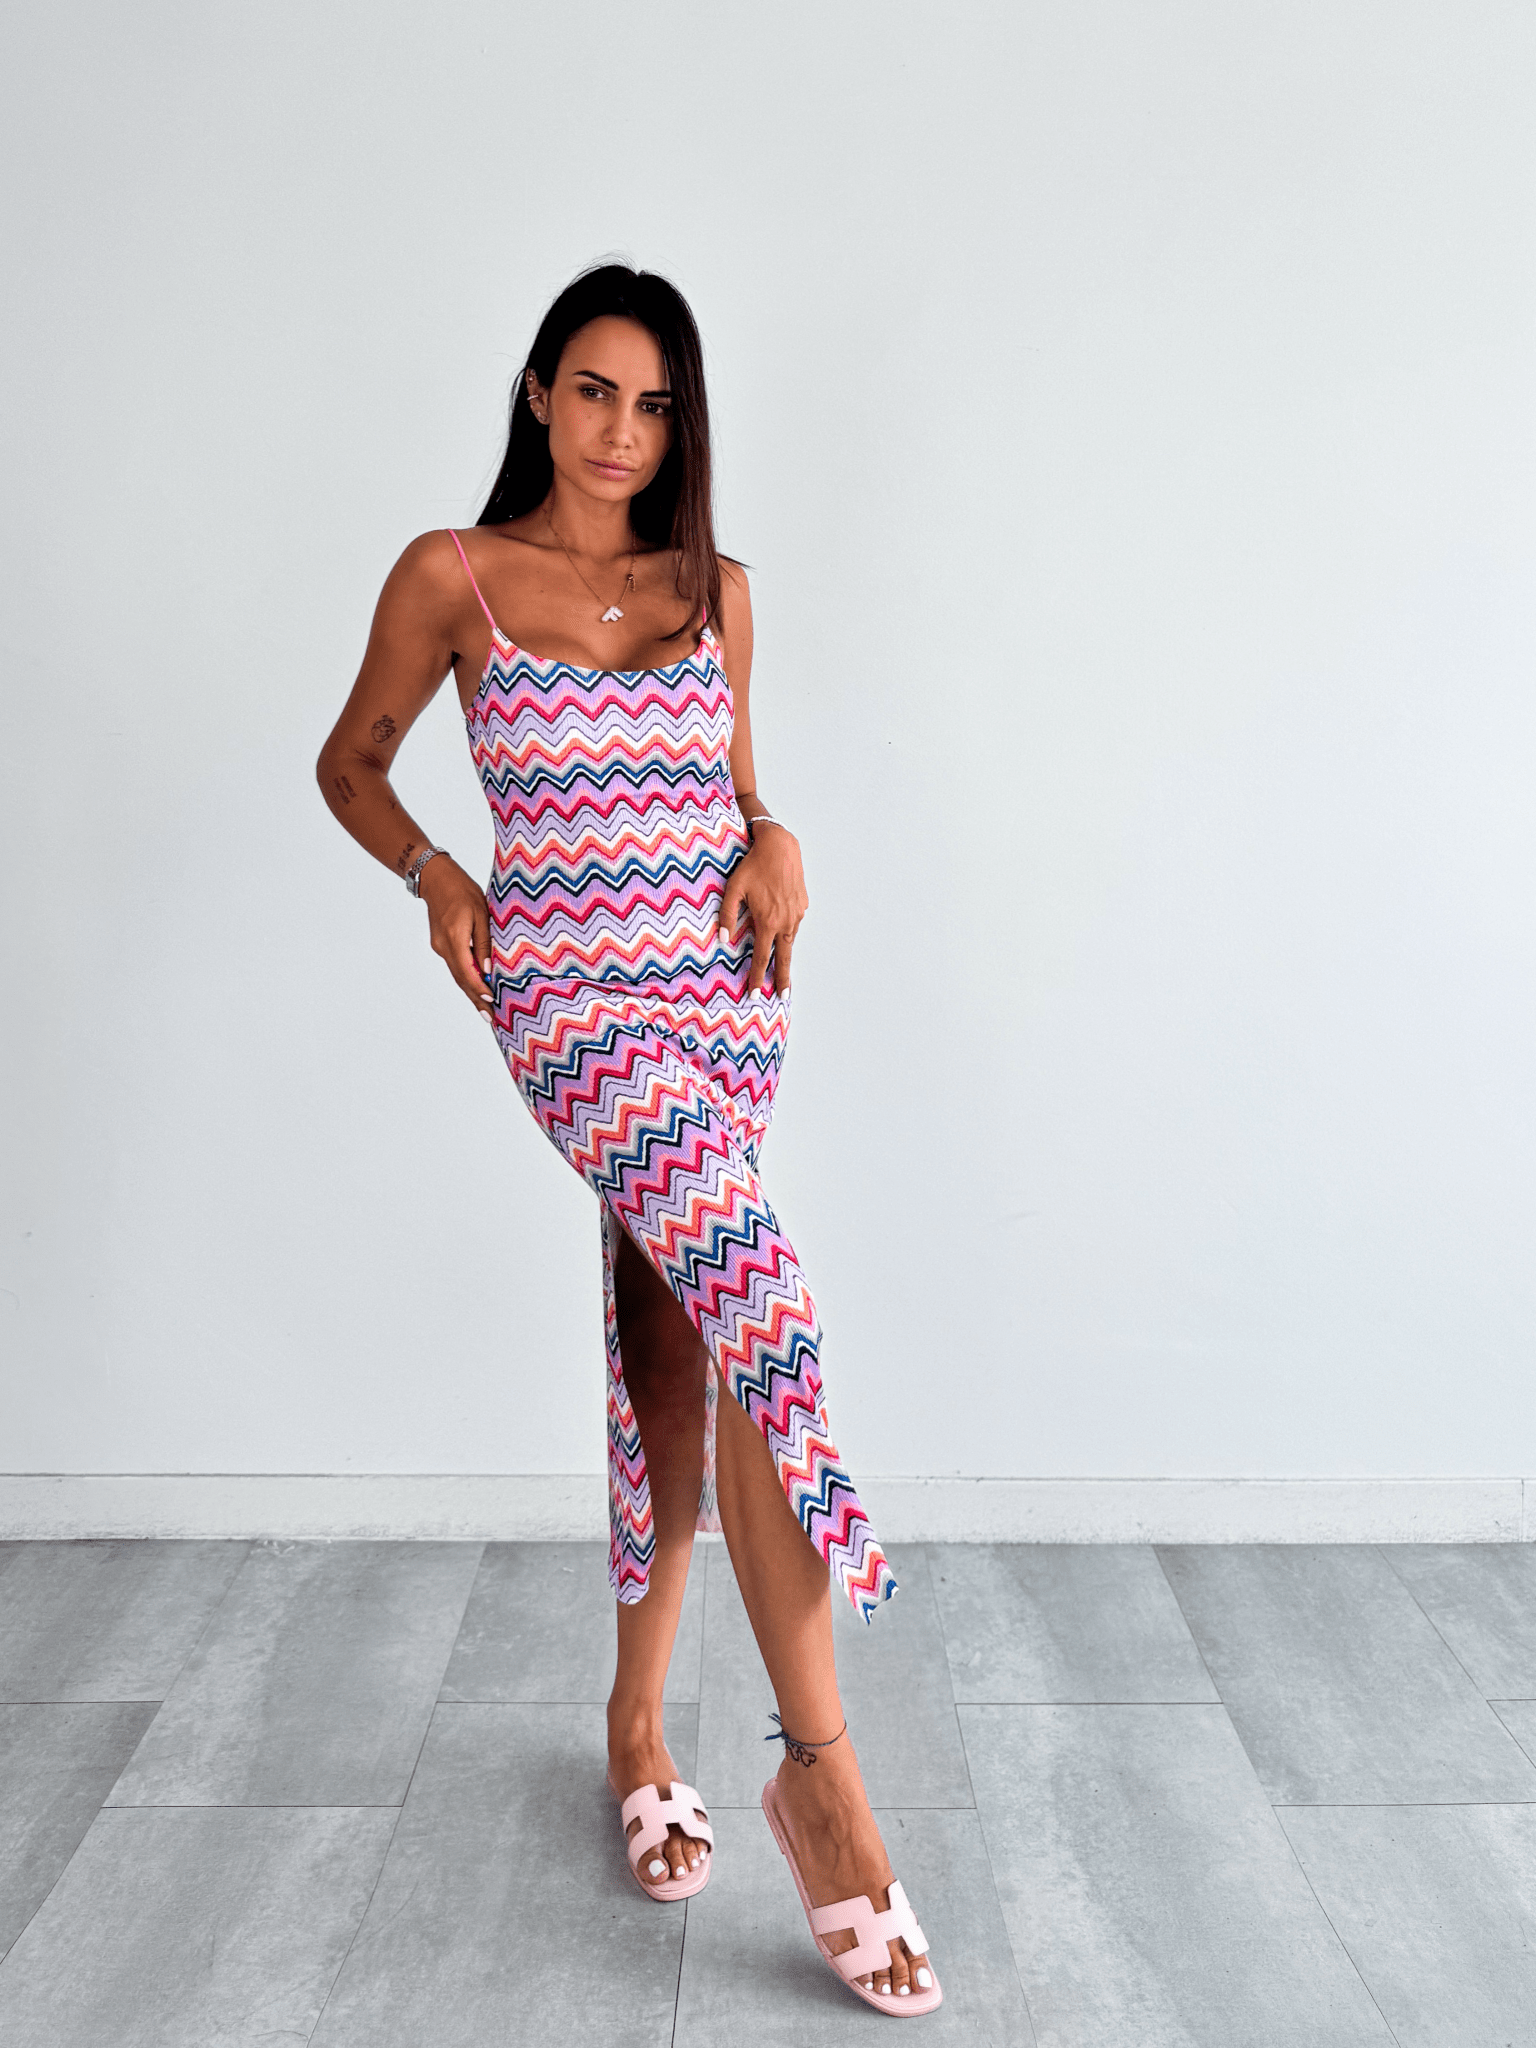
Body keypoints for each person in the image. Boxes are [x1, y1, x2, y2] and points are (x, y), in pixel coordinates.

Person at [316, 263, 940, 2014]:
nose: (622, 430)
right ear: (537, 393)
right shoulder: (451, 576)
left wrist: (779, 835)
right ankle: (826, 1786)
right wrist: (436, 873)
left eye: (655, 404)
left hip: (724, 1000)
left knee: (681, 1342)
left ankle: (639, 1730)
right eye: (594, 390)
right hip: (571, 1006)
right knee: (768, 1309)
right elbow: (350, 763)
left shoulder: (715, 588)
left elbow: (730, 789)